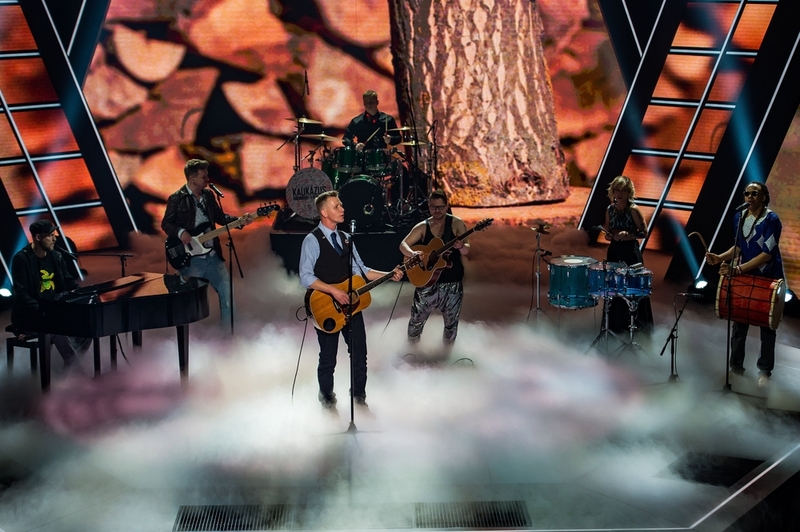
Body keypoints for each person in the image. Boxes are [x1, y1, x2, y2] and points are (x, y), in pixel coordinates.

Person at [299, 190, 403, 410]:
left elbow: (361, 270)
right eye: (336, 206)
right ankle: (327, 400)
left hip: (351, 307)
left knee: (359, 355)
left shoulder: (346, 238)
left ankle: (359, 398)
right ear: (324, 212)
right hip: (326, 307)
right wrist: (333, 291)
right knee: (328, 358)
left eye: (341, 205)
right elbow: (306, 277)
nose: (342, 209)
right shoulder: (312, 240)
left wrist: (389, 274)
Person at [705, 181, 783, 387]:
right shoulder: (739, 217)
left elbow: (767, 254)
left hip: (767, 276)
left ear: (764, 197)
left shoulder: (772, 219)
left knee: (767, 326)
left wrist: (738, 269)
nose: (749, 196)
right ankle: (736, 367)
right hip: (746, 274)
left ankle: (764, 371)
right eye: (746, 193)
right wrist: (719, 258)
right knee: (739, 321)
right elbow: (739, 246)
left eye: (754, 193)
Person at [161, 159, 253, 326]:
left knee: (227, 293)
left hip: (213, 256)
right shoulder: (177, 198)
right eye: (203, 176)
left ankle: (229, 333)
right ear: (192, 178)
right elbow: (166, 224)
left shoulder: (209, 196)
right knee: (191, 301)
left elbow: (219, 217)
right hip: (192, 258)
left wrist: (239, 221)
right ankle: (192, 336)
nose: (207, 179)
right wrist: (181, 232)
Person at [11, 220, 88, 369]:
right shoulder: (22, 259)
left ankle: (70, 369)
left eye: (54, 235)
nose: (54, 239)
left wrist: (83, 296)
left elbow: (69, 283)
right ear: (38, 237)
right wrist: (44, 310)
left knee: (87, 325)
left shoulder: (56, 256)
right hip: (31, 314)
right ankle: (76, 371)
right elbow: (22, 294)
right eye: (50, 235)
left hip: (55, 310)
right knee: (55, 325)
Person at [400, 190, 469, 346]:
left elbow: (467, 249)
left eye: (440, 207)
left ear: (447, 205)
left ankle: (447, 353)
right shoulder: (423, 226)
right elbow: (403, 244)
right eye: (433, 207)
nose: (436, 211)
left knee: (451, 324)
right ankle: (411, 351)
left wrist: (461, 246)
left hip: (452, 282)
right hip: (426, 283)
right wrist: (412, 254)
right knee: (416, 322)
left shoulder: (456, 223)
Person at [602, 175, 654, 334]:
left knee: (632, 289)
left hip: (630, 252)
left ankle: (637, 327)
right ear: (613, 191)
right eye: (617, 190)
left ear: (629, 192)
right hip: (614, 251)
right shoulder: (610, 209)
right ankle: (615, 327)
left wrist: (628, 235)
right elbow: (607, 231)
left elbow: (644, 233)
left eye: (624, 190)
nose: (620, 193)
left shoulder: (633, 209)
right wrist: (609, 236)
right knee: (614, 289)